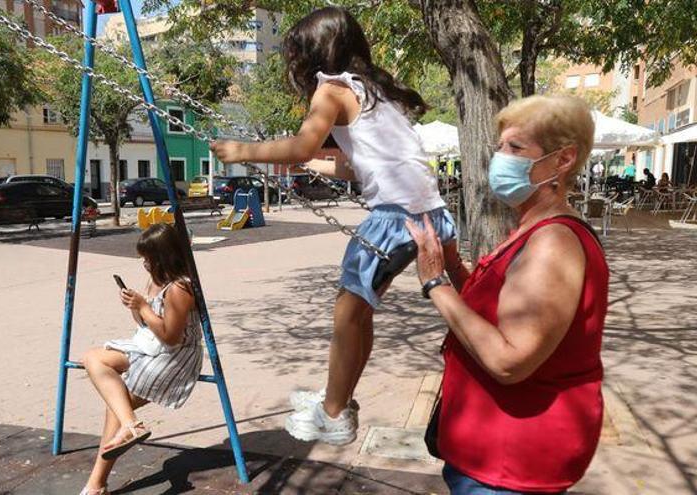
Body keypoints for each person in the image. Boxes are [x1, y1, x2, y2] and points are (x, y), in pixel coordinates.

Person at [210, 6, 467, 445]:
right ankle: (337, 398)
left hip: (394, 219)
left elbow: (300, 144)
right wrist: (317, 163)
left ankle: (333, 412)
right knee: (359, 313)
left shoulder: (329, 90)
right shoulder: (376, 93)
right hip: (432, 214)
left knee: (348, 316)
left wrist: (241, 151)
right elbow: (359, 167)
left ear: (315, 53)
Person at [406, 95, 608, 494]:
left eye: (516, 148)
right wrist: (451, 263)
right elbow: (496, 314)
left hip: (511, 465)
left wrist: (435, 284)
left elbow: (509, 361)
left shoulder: (554, 243)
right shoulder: (532, 229)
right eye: (500, 147)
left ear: (563, 160)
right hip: (490, 455)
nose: (502, 158)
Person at [79, 223, 203, 495]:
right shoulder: (156, 280)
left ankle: (96, 484)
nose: (143, 262)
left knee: (116, 404)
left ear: (163, 257)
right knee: (93, 359)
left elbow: (171, 336)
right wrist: (135, 308)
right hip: (151, 347)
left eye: (148, 258)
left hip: (174, 359)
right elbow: (147, 325)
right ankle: (129, 426)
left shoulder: (180, 288)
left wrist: (144, 307)